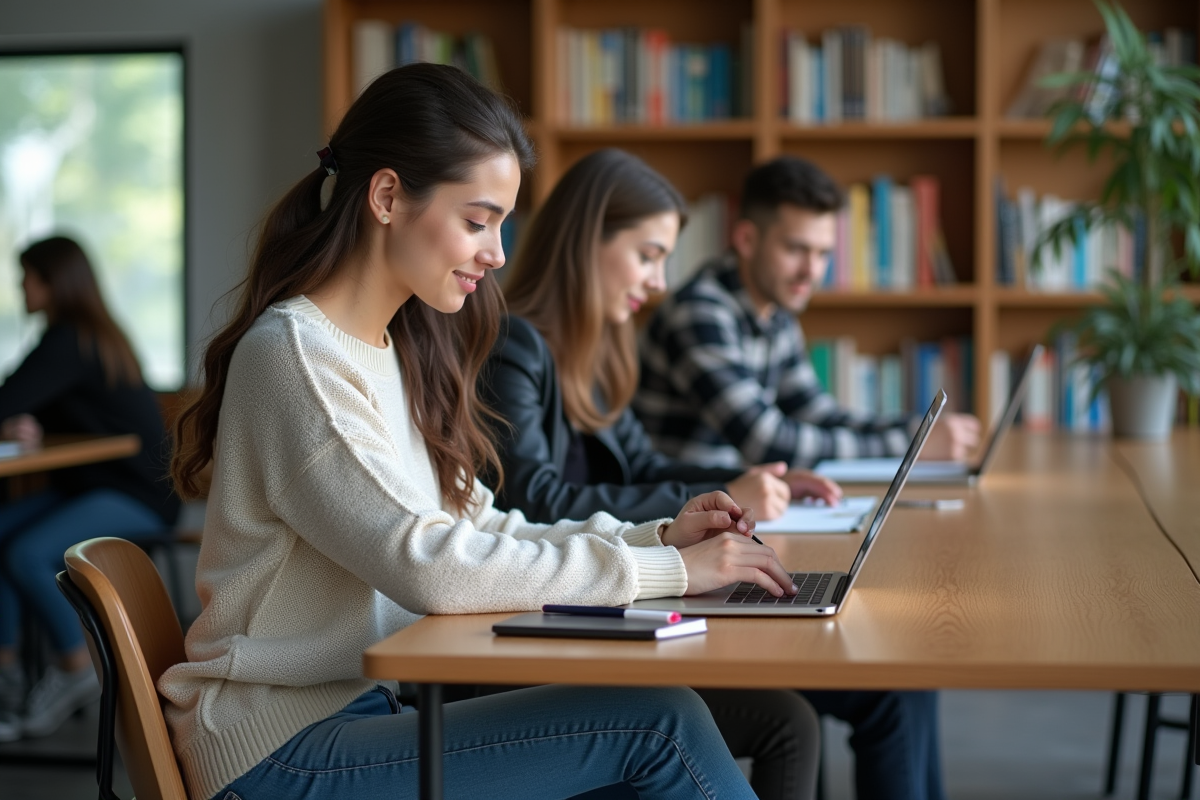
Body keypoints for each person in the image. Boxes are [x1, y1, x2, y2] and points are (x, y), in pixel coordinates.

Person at [161, 64, 794, 800]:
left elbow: (480, 523)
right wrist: (673, 577)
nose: (495, 253)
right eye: (476, 220)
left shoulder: (390, 348)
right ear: (388, 197)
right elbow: (428, 564)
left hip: (356, 712)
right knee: (661, 726)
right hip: (275, 751)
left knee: (658, 727)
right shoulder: (297, 357)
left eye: (500, 224)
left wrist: (653, 540)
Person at [487, 148, 946, 800]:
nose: (658, 280)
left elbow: (643, 465)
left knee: (892, 673)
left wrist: (739, 480)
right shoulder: (516, 343)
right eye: (647, 256)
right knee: (855, 689)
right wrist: (722, 497)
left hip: (625, 585)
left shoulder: (591, 347)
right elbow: (532, 499)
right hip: (579, 602)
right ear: (588, 242)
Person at [633, 155, 980, 471]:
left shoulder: (775, 310)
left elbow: (816, 414)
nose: (811, 271)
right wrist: (910, 444)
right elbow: (767, 441)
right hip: (676, 518)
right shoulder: (699, 313)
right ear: (746, 239)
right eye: (796, 249)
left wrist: (917, 428)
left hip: (728, 505)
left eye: (823, 253)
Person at [0, 236, 180, 742]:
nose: (20, 287)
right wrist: (26, 418)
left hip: (137, 496)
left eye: (26, 277)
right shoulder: (89, 335)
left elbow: (8, 397)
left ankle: (77, 667)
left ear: (51, 282)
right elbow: (29, 401)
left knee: (27, 554)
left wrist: (17, 413)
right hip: (93, 484)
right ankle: (8, 673)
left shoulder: (69, 339)